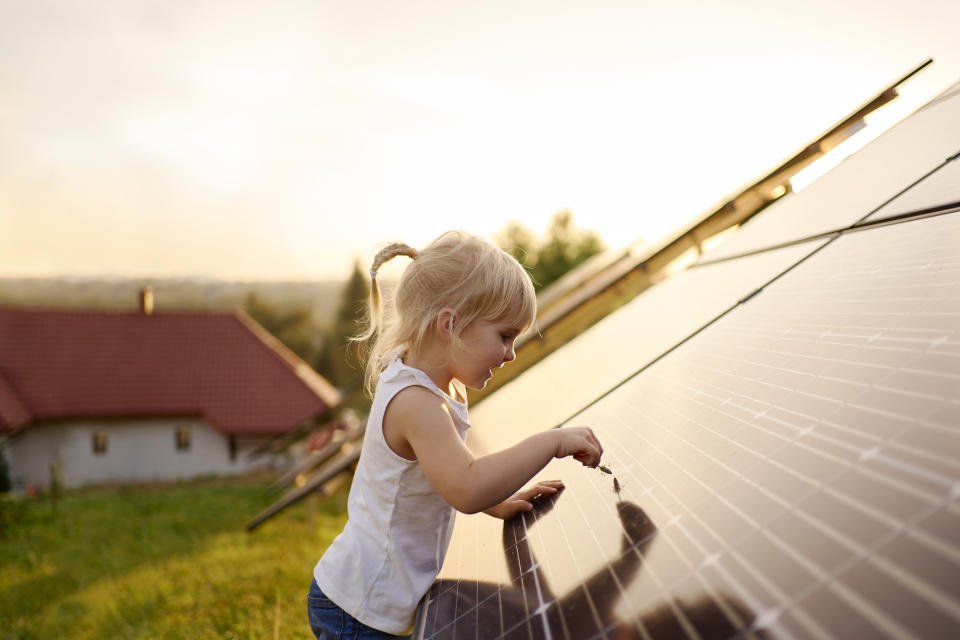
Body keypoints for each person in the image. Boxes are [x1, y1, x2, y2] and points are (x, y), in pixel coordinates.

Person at [308, 230, 604, 639]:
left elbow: (444, 472)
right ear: (451, 325)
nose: (511, 353)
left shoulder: (439, 384)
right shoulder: (417, 402)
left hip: (371, 598)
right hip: (360, 607)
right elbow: (465, 487)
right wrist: (551, 442)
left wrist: (498, 501)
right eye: (504, 336)